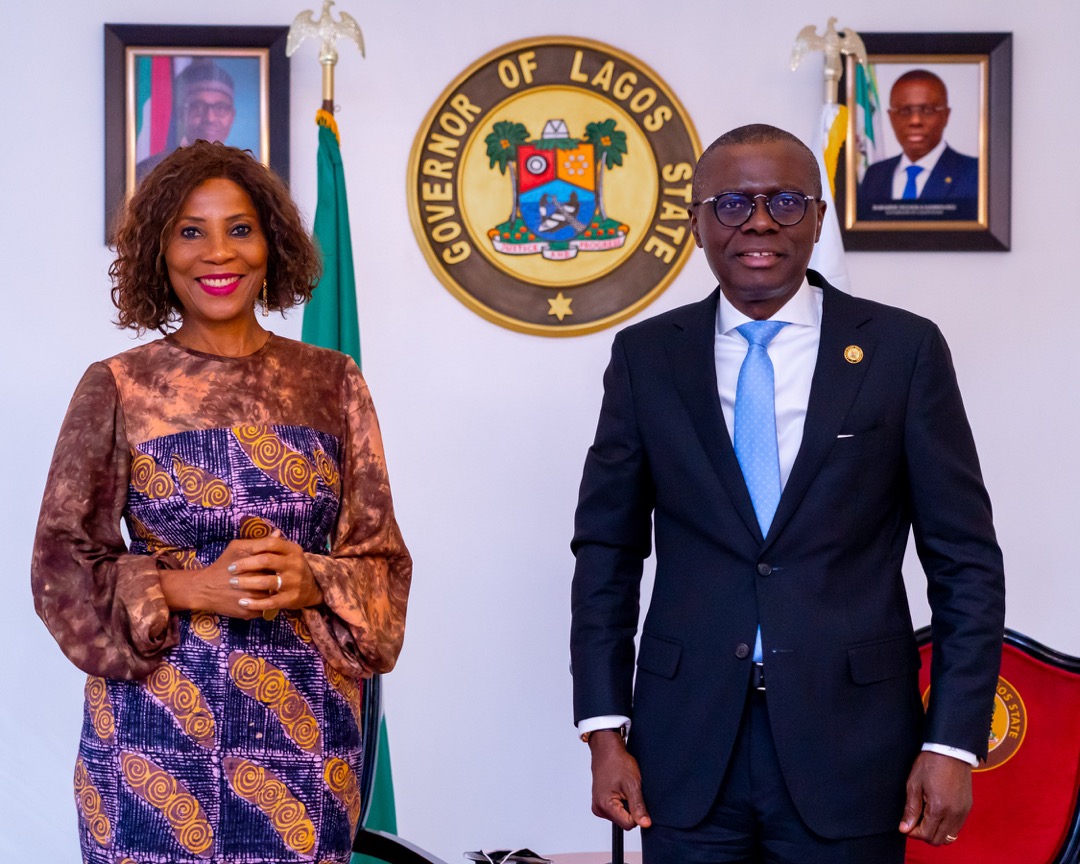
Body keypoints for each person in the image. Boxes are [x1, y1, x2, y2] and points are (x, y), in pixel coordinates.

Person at [570, 124, 1004, 863]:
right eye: (733, 203)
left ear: (819, 218)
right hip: (685, 748)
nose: (760, 221)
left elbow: (965, 563)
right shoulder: (647, 357)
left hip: (856, 746)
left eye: (786, 201)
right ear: (697, 222)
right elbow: (606, 553)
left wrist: (953, 741)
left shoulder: (903, 351)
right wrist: (603, 730)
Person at [32, 141, 411, 864]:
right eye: (190, 230)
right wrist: (187, 587)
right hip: (151, 741)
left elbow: (382, 564)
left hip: (305, 743)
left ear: (272, 243)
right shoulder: (118, 385)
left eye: (239, 228)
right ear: (158, 251)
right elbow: (61, 569)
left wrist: (316, 579)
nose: (218, 252)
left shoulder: (331, 383)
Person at [858, 69, 979, 221]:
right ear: (891, 117)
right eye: (904, 111)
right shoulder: (874, 175)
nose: (915, 121)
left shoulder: (975, 174)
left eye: (927, 110)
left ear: (946, 115)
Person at [136, 60, 238, 182]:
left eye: (220, 108)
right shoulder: (150, 171)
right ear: (180, 113)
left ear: (232, 116)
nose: (210, 118)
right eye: (197, 107)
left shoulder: (245, 172)